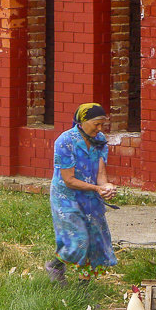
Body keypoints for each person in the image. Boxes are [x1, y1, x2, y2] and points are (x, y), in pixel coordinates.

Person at [45, 103, 118, 286]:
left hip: (90, 199)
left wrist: (106, 187)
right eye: (97, 124)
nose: (100, 129)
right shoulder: (65, 141)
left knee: (93, 239)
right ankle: (55, 265)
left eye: (103, 124)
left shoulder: (99, 140)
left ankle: (82, 289)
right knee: (78, 239)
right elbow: (69, 179)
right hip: (66, 198)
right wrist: (96, 189)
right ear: (83, 121)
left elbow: (101, 173)